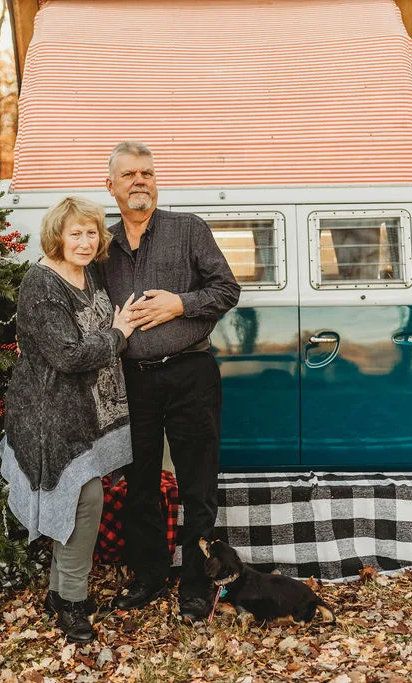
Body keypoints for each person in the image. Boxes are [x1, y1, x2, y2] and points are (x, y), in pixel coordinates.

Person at [97, 140, 241, 624]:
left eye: (148, 173)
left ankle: (197, 585)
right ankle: (149, 575)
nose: (140, 181)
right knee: (138, 483)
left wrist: (180, 303)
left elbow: (227, 289)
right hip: (131, 382)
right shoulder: (102, 246)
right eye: (129, 174)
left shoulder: (188, 229)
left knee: (197, 486)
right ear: (111, 185)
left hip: (190, 374)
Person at [0, 196, 136, 643]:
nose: (85, 241)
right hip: (48, 413)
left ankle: (60, 592)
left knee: (85, 498)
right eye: (75, 233)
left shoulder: (89, 271)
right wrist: (118, 335)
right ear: (56, 236)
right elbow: (68, 355)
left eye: (91, 233)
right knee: (83, 496)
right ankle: (72, 601)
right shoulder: (42, 284)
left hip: (85, 409)